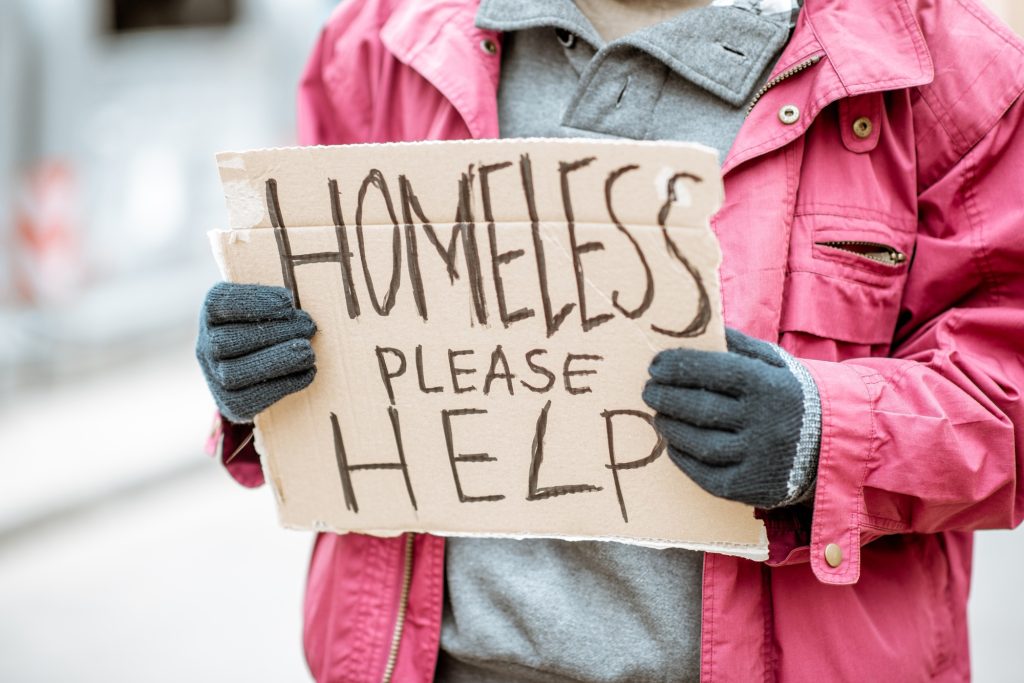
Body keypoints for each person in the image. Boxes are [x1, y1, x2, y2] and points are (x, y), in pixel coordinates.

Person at [196, 0, 1024, 680]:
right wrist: (253, 379)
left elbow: (1007, 385)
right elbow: (313, 329)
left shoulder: (948, 70)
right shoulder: (380, 40)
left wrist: (823, 436)